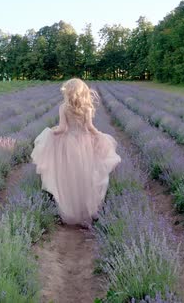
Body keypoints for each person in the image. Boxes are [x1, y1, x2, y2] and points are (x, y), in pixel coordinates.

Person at [31, 78, 121, 225]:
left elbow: (62, 129)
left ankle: (71, 212)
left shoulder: (64, 108)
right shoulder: (87, 108)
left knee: (70, 178)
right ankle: (88, 211)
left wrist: (51, 132)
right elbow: (90, 128)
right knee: (86, 176)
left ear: (69, 92)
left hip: (69, 145)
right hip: (85, 144)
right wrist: (100, 135)